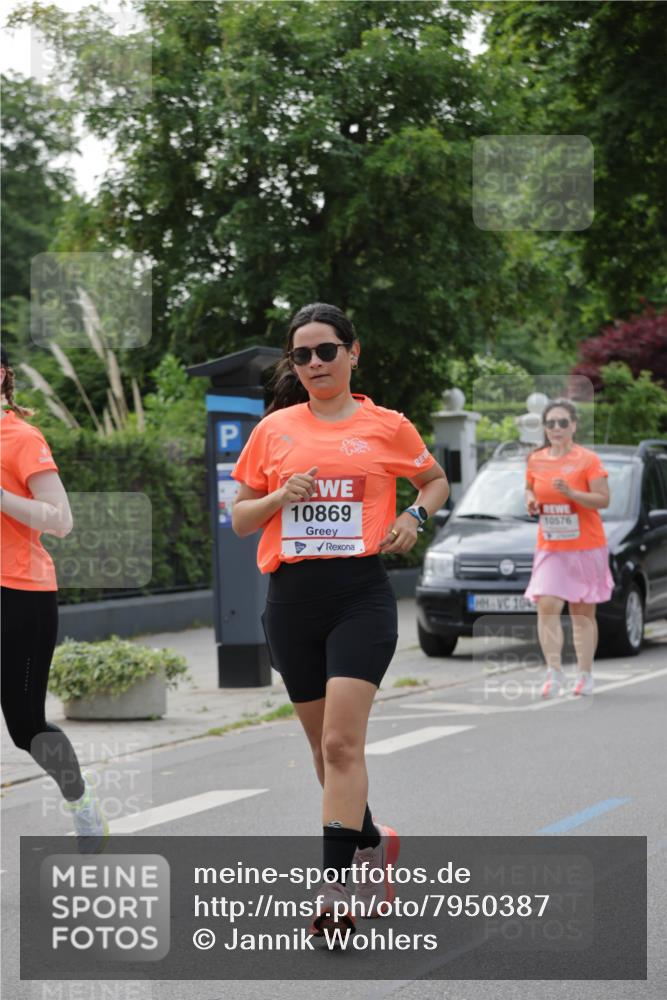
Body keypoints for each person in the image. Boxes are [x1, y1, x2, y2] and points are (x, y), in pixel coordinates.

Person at [231, 303, 449, 936]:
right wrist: (278, 496)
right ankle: (374, 839)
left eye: (326, 350)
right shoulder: (273, 431)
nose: (315, 364)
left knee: (340, 744)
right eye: (302, 355)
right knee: (326, 757)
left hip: (360, 594)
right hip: (291, 600)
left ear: (354, 353)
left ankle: (334, 893)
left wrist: (414, 518)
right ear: (292, 365)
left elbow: (433, 481)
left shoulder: (387, 426)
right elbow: (243, 519)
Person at [0, 345, 108, 851]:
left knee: (25, 727)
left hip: (19, 593)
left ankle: (82, 806)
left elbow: (60, 519)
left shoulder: (20, 437)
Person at [524, 398, 613, 698]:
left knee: (582, 613)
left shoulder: (588, 459)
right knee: (546, 605)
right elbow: (529, 488)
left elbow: (603, 499)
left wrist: (572, 493)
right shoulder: (536, 459)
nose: (557, 428)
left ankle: (585, 674)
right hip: (551, 545)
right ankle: (554, 672)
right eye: (551, 423)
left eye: (563, 422)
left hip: (586, 545)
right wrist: (530, 501)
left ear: (573, 425)